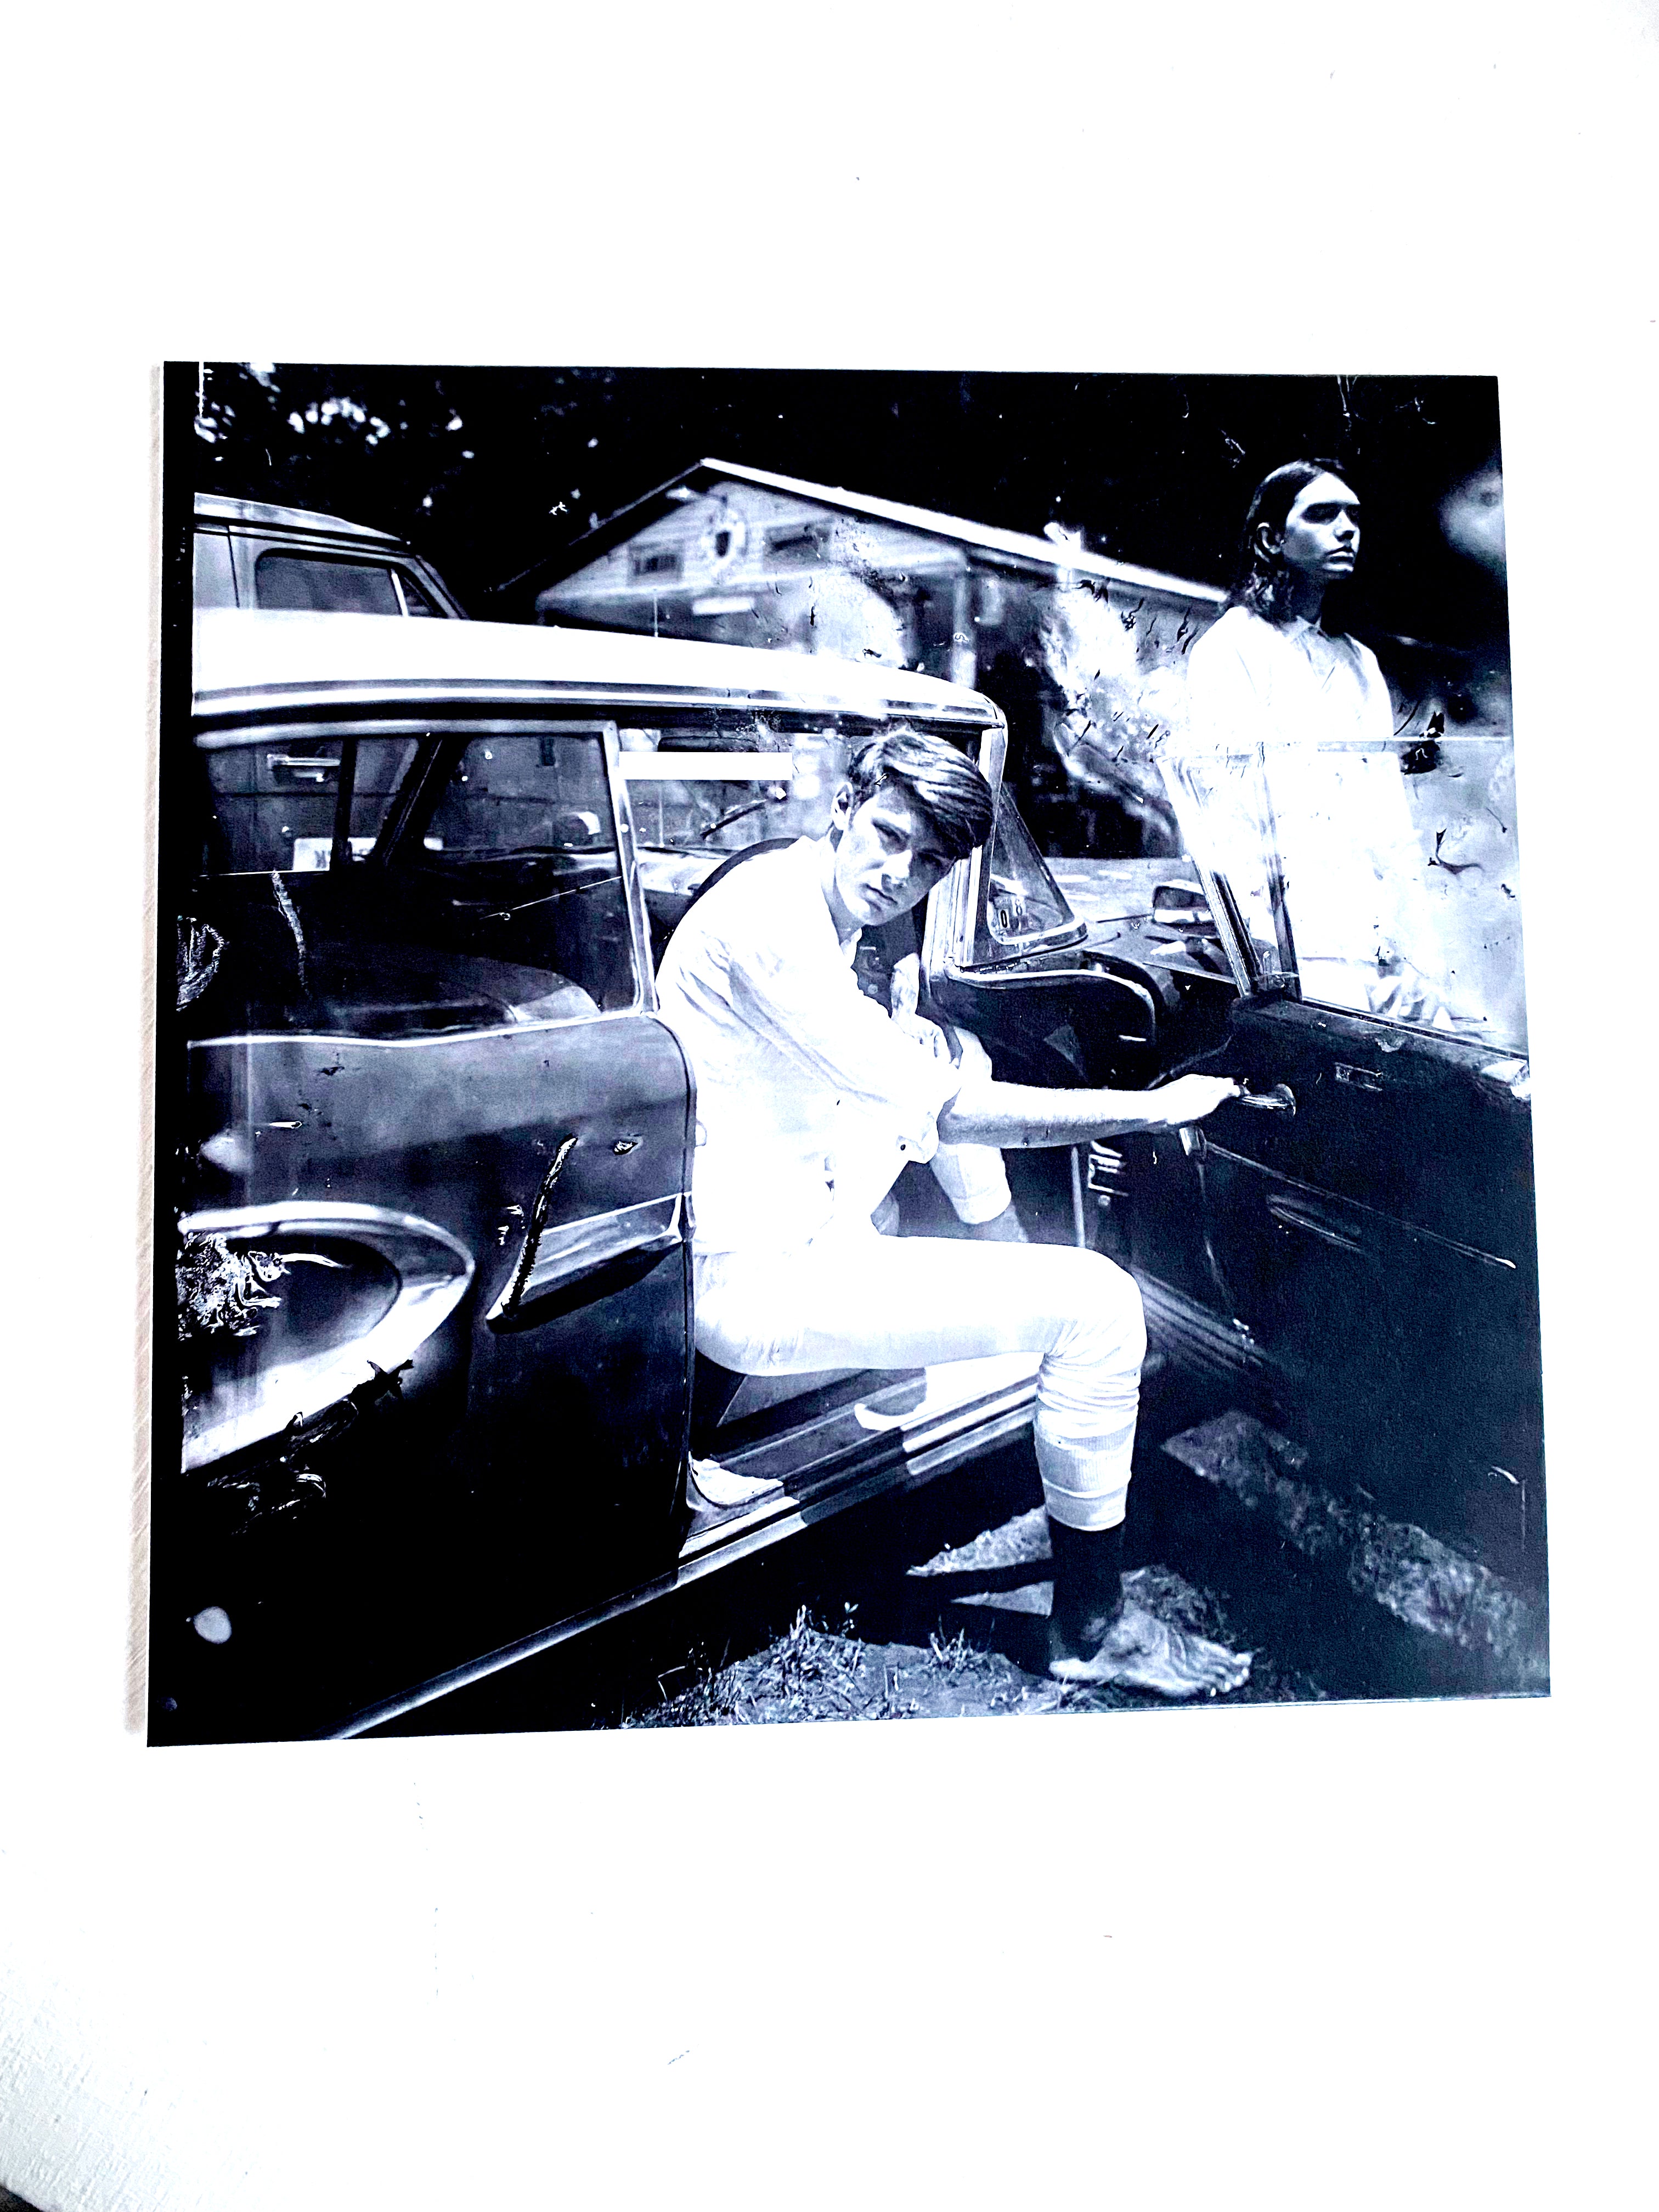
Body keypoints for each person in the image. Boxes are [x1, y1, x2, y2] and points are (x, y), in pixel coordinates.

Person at [655, 729, 1250, 1698]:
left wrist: (911, 1035)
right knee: (1101, 1306)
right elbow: (954, 1113)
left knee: (945, 1056)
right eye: (888, 836)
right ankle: (1092, 1628)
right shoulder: (770, 926)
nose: (899, 874)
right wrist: (1150, 1108)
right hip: (756, 1281)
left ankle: (1009, 1301)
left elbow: (903, 1078)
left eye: (929, 862)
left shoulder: (789, 885)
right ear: (843, 808)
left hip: (772, 1212)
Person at [1182, 460, 1449, 1023]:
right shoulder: (1230, 650)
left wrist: (1420, 954)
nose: (1347, 529)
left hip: (1379, 941)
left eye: (1354, 516)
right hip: (1299, 947)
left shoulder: (1359, 662)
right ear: (1271, 540)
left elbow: (1391, 821)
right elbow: (1229, 829)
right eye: (1323, 515)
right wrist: (1271, 961)